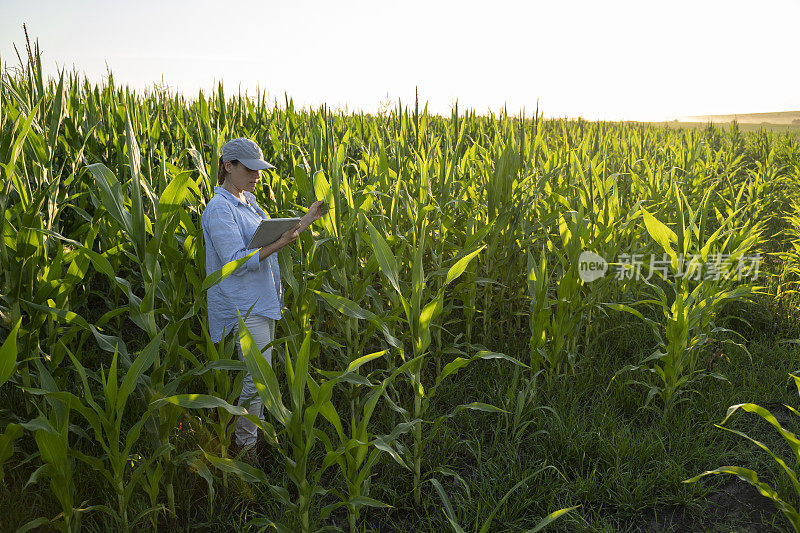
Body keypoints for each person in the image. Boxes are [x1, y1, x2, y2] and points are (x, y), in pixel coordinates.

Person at [201, 137, 324, 455]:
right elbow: (236, 262)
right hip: (242, 305)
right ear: (229, 166)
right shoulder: (219, 209)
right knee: (257, 381)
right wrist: (282, 242)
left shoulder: (248, 202)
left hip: (262, 299)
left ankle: (251, 439)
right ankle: (246, 449)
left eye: (260, 169)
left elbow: (264, 237)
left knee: (261, 376)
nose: (257, 176)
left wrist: (305, 220)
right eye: (250, 169)